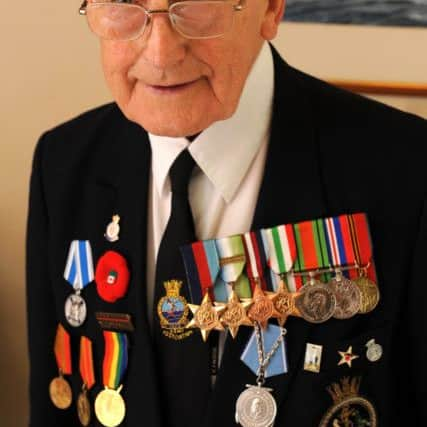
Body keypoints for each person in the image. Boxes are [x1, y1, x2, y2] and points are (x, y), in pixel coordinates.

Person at [26, 0, 427, 426]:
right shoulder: (64, 164)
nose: (161, 53)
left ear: (271, 9)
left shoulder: (406, 171)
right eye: (125, 4)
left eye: (197, 5)